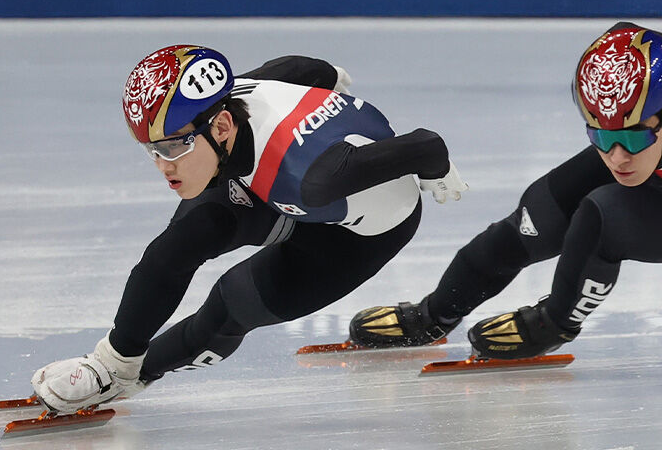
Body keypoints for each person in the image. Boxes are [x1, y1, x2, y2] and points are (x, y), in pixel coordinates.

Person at [349, 23, 662, 359]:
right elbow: (627, 33)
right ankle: (433, 315)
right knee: (534, 216)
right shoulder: (636, 91)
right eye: (601, 137)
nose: (617, 157)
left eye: (629, 138)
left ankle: (553, 323)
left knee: (600, 216)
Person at [29, 45, 466, 414]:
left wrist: (436, 168)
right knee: (178, 246)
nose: (164, 165)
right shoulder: (232, 98)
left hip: (352, 234)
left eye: (173, 146)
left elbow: (427, 142)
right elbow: (301, 69)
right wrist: (330, 77)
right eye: (150, 150)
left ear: (220, 126)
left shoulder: (313, 175)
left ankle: (138, 374)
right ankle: (111, 367)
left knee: (231, 304)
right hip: (271, 182)